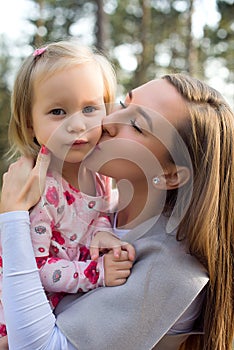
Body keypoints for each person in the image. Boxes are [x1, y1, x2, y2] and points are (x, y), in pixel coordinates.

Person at [0, 73, 233, 350]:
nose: (107, 122)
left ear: (170, 175)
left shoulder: (173, 272)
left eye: (135, 125)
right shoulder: (90, 210)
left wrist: (12, 214)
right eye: (123, 103)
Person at [0, 41, 135, 338]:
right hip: (21, 316)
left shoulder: (100, 174)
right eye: (58, 111)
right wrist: (95, 273)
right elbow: (36, 268)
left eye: (89, 108)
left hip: (69, 308)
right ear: (29, 123)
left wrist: (102, 230)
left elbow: (99, 210)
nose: (77, 124)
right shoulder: (42, 189)